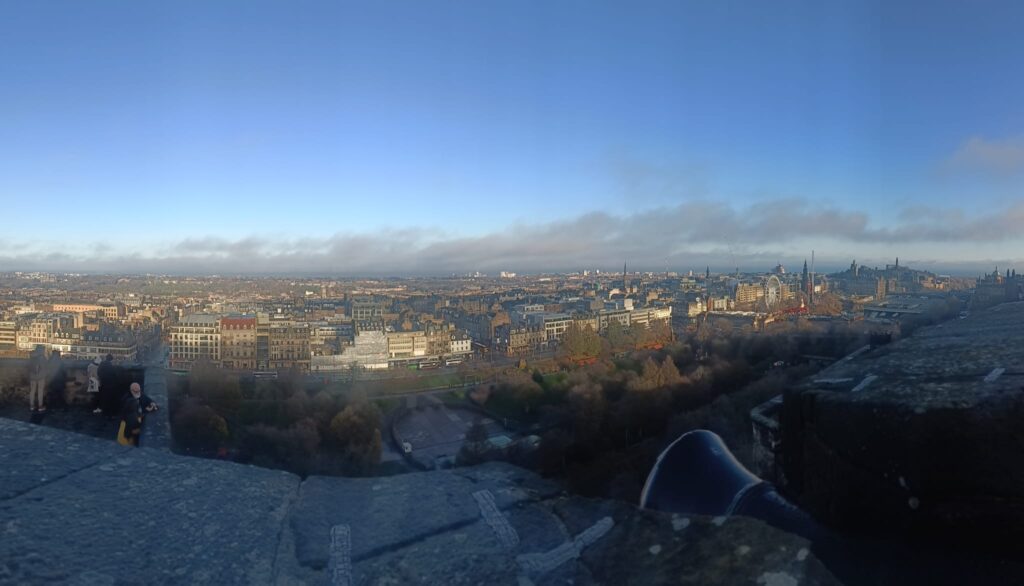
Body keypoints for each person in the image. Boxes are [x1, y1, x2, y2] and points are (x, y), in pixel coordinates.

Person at [117, 382, 158, 447]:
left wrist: (152, 403)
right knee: (125, 444)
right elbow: (132, 412)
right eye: (136, 391)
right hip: (127, 424)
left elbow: (146, 399)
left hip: (135, 422)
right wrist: (147, 410)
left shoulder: (139, 395)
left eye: (139, 391)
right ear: (131, 391)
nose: (138, 393)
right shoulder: (128, 400)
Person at [28, 346, 47, 413]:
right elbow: (45, 366)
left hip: (32, 376)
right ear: (42, 350)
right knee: (40, 391)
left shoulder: (32, 356)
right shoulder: (42, 357)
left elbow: (29, 365)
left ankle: (31, 406)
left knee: (32, 391)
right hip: (41, 377)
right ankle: (40, 406)